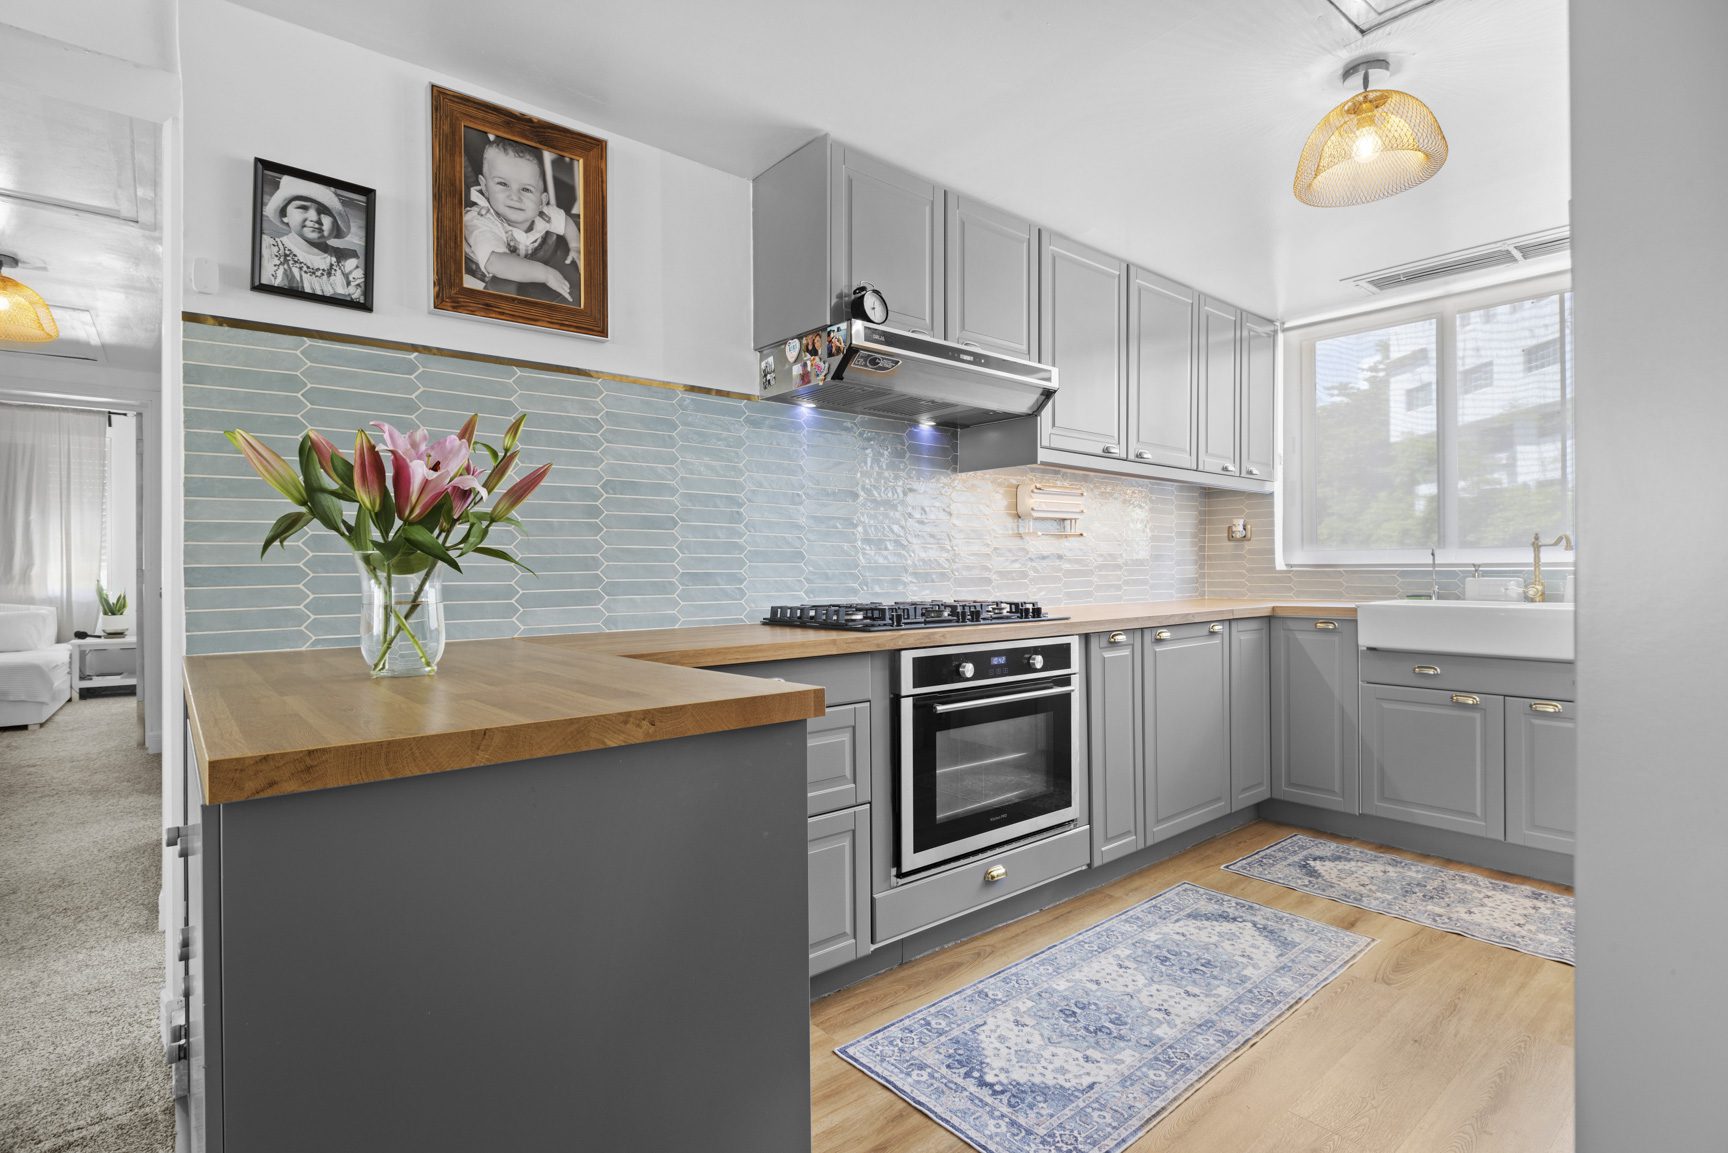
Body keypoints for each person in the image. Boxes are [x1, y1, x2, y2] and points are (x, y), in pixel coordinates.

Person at [462, 137, 582, 303]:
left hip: (532, 272)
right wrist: (545, 274)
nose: (515, 196)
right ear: (485, 187)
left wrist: (576, 246)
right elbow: (496, 263)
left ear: (541, 201)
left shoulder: (542, 214)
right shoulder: (480, 221)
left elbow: (566, 222)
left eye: (526, 189)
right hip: (486, 284)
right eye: (503, 184)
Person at [259, 176, 365, 302]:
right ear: (284, 214)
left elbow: (360, 296)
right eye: (303, 208)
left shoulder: (345, 260)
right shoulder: (272, 251)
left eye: (324, 212)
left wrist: (356, 294)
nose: (315, 218)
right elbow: (267, 299)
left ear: (336, 221)